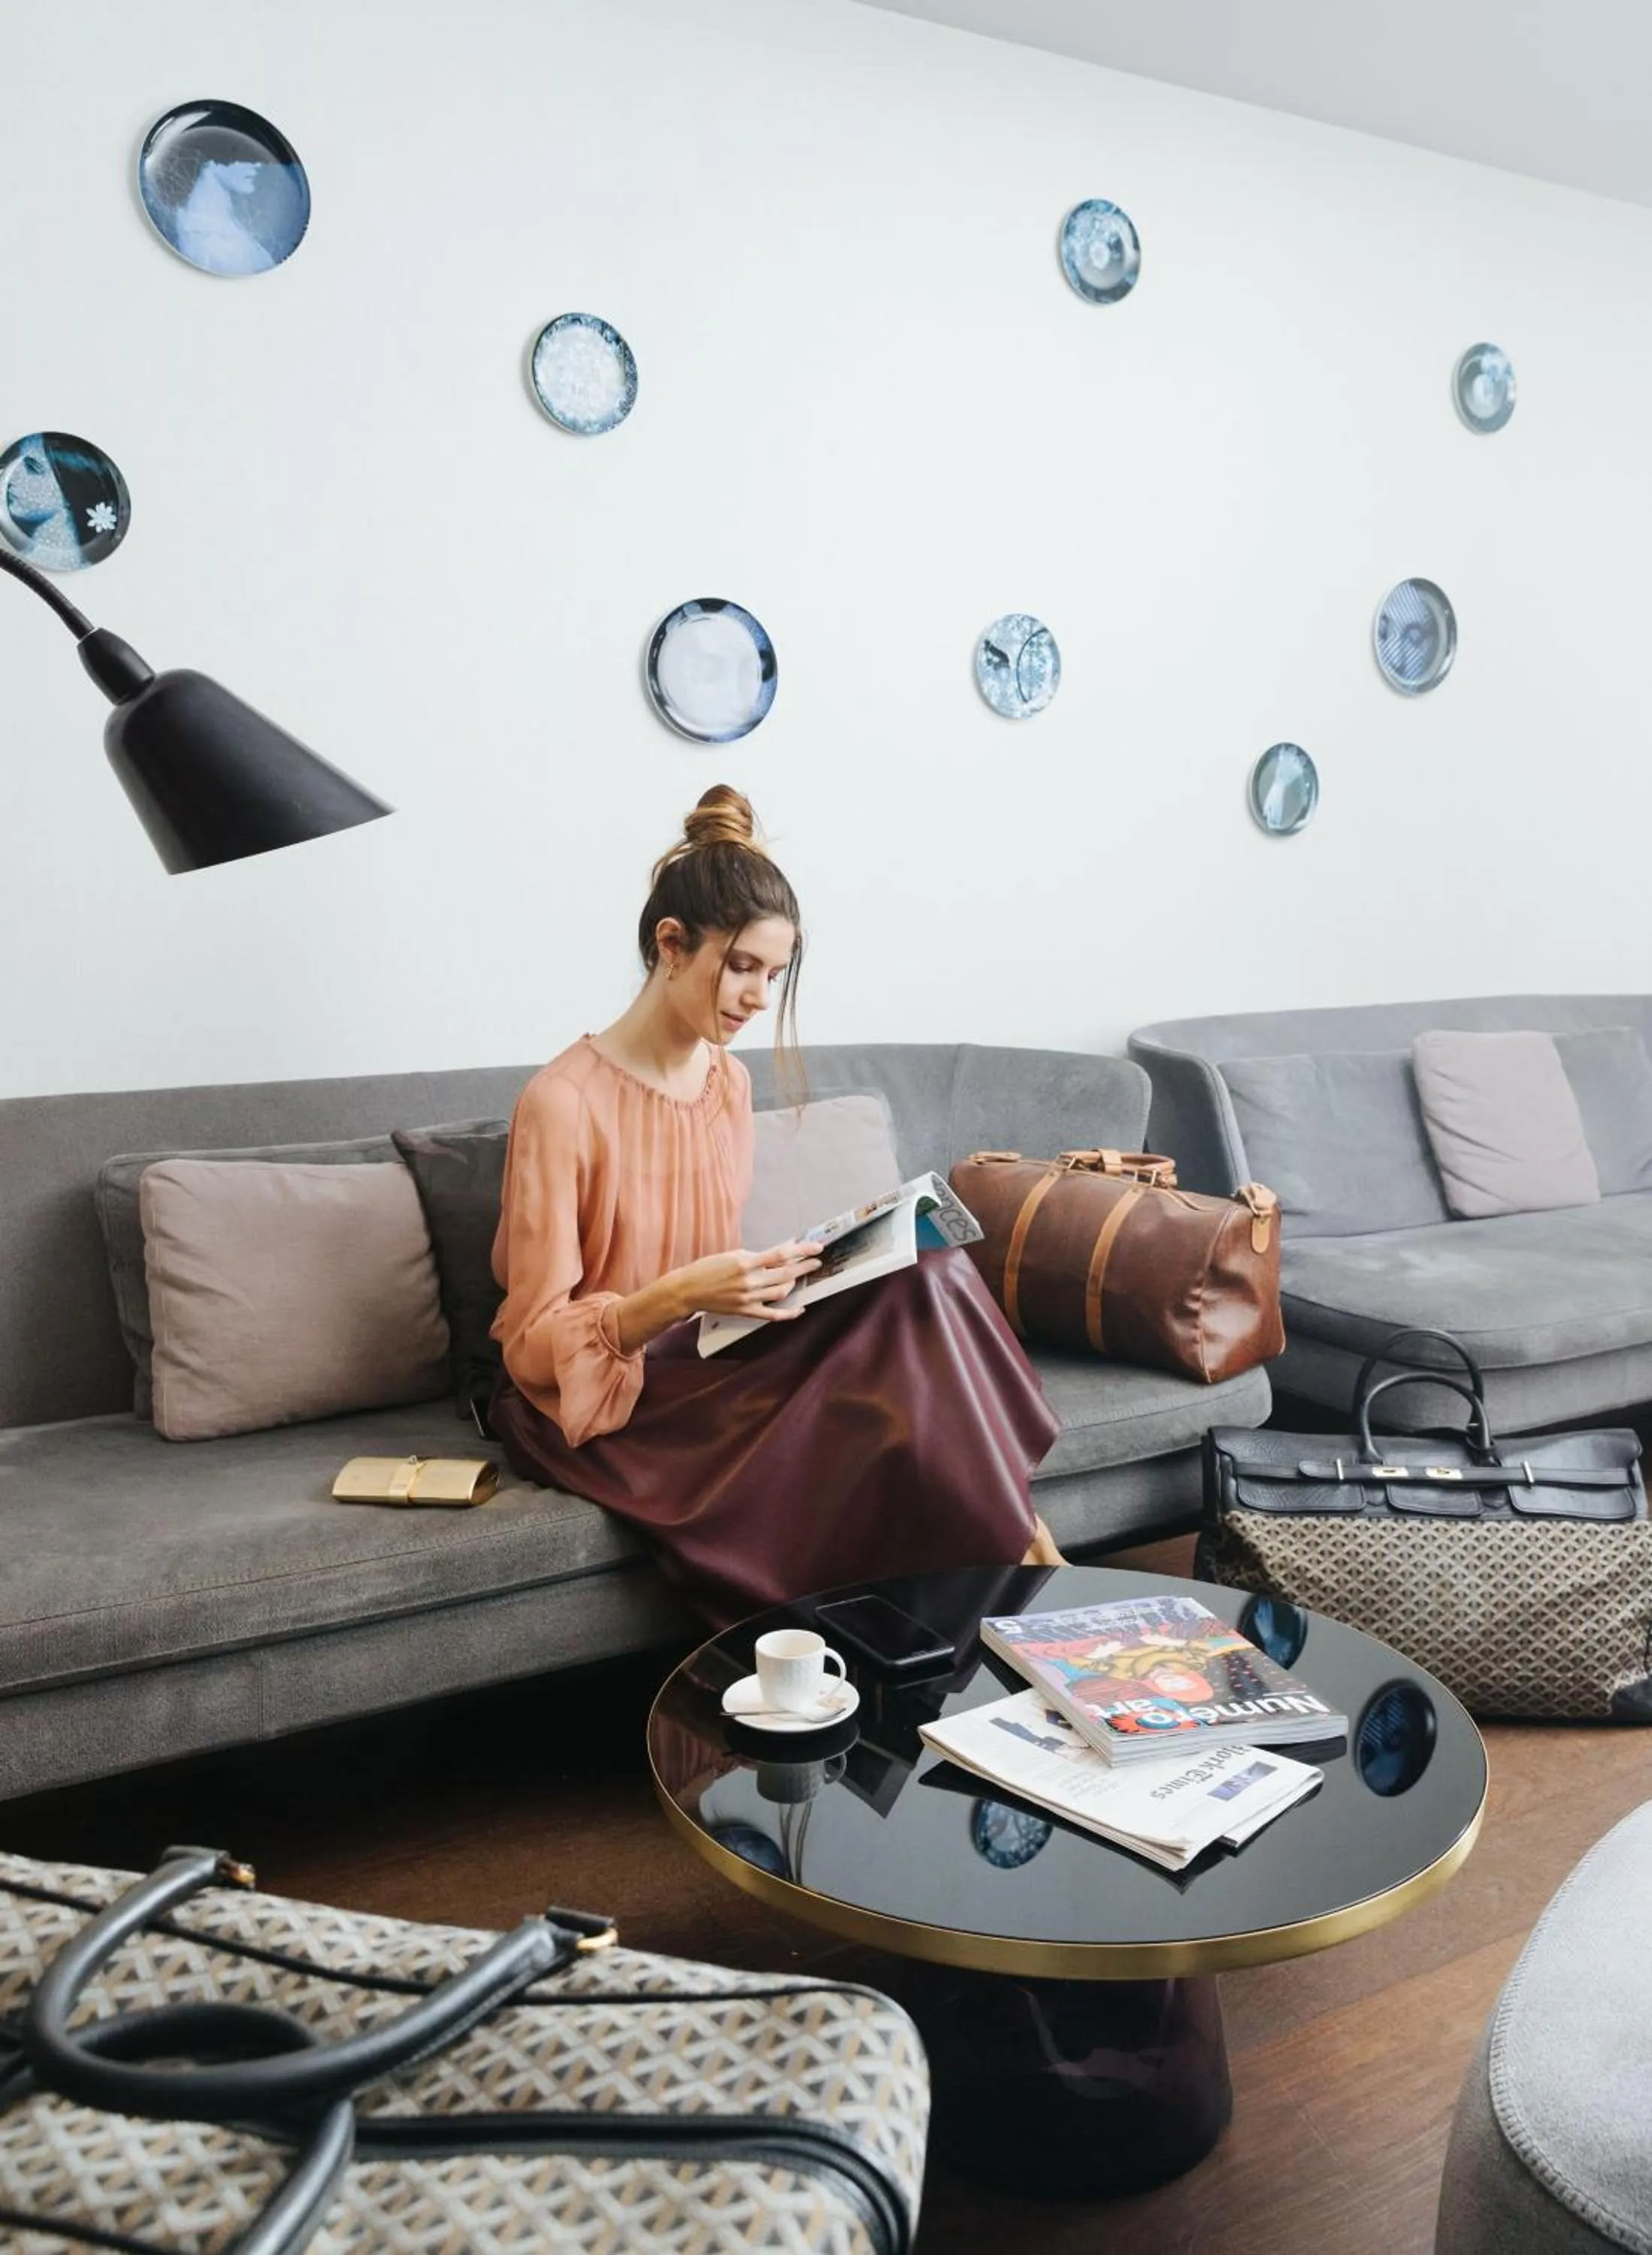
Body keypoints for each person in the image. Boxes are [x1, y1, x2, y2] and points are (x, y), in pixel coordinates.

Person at [488, 783, 1065, 1629]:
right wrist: (685, 1293)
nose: (758, 997)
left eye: (774, 974)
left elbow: (717, 1274)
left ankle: (1014, 1557)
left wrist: (779, 1278)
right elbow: (530, 1349)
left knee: (924, 1271)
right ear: (671, 945)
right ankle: (1026, 1573)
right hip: (613, 1399)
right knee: (901, 1346)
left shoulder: (728, 1083)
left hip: (709, 1358)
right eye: (743, 967)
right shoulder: (562, 1101)